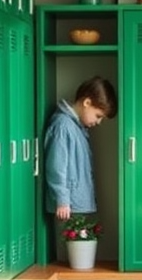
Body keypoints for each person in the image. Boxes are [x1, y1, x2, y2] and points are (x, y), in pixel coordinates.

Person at [43, 76, 118, 226]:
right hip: (67, 205)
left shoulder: (77, 127)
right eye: (98, 116)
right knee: (75, 243)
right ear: (87, 103)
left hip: (75, 201)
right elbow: (56, 166)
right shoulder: (63, 126)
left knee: (82, 243)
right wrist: (62, 199)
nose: (98, 122)